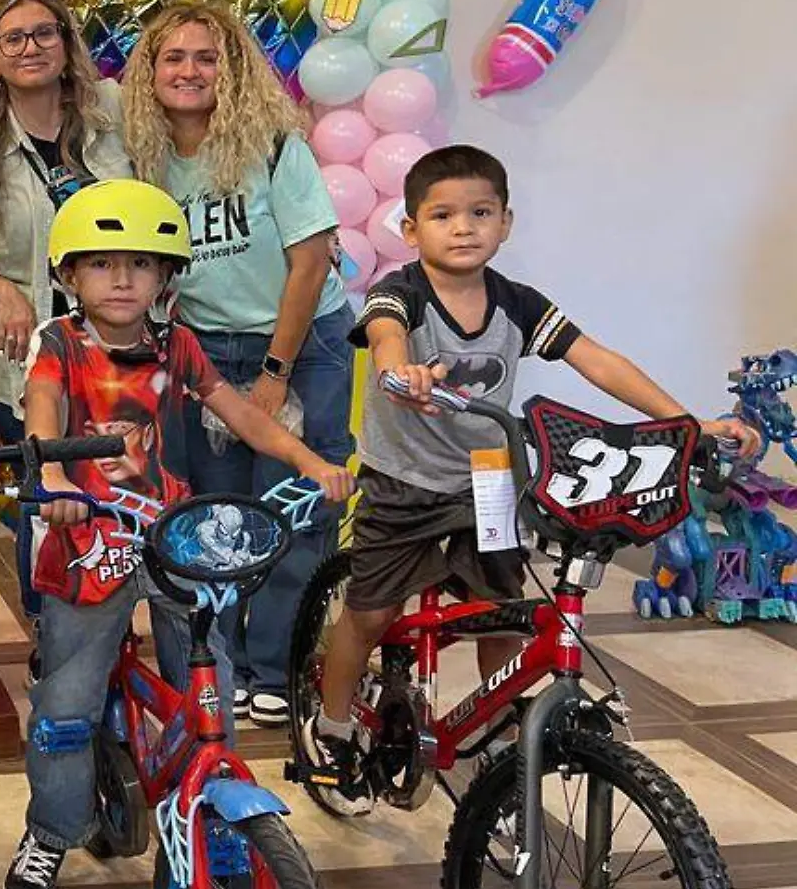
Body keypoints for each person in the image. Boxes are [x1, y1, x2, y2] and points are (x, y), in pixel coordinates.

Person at [301, 145, 763, 813]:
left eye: (480, 212)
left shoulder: (515, 304)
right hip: (403, 483)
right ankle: (335, 721)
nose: (463, 227)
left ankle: (498, 738)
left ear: (506, 223)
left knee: (505, 613)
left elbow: (597, 360)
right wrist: (401, 373)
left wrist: (686, 422)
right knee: (370, 613)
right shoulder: (399, 293)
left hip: (487, 479)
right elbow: (385, 338)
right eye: (443, 214)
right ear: (410, 230)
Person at [2, 178, 353, 889]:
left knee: (210, 688)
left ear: (166, 278)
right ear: (70, 275)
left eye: (141, 264)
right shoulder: (60, 345)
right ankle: (50, 831)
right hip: (84, 539)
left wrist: (310, 461)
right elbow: (42, 414)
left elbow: (244, 418)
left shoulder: (179, 346)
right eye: (101, 264)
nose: (122, 278)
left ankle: (217, 819)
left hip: (166, 534)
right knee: (67, 702)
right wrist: (56, 474)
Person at [122, 0, 356, 728]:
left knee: (291, 510)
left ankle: (277, 668)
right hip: (206, 350)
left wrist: (276, 373)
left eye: (207, 57)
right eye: (174, 58)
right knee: (217, 517)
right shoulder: (142, 153)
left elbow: (311, 261)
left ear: (234, 70)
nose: (189, 72)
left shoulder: (275, 144)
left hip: (299, 343)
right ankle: (216, 666)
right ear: (148, 73)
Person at [0, 0, 133, 444]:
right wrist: (1, 289)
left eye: (45, 33)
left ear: (65, 45)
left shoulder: (113, 109)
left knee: (120, 490)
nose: (31, 47)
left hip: (124, 348)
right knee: (47, 496)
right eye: (14, 38)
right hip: (28, 360)